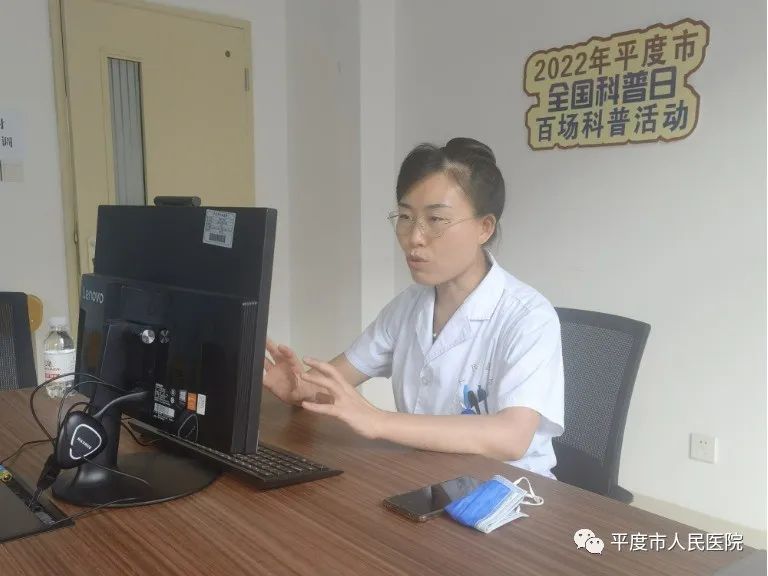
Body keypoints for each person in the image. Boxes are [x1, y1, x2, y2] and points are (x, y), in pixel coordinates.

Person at [264, 137, 564, 478]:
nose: (414, 237)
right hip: (427, 477)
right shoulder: (409, 306)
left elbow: (511, 437)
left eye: (436, 219)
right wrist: (300, 388)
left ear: (484, 227)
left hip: (509, 492)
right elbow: (337, 379)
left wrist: (378, 421)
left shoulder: (528, 317)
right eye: (405, 217)